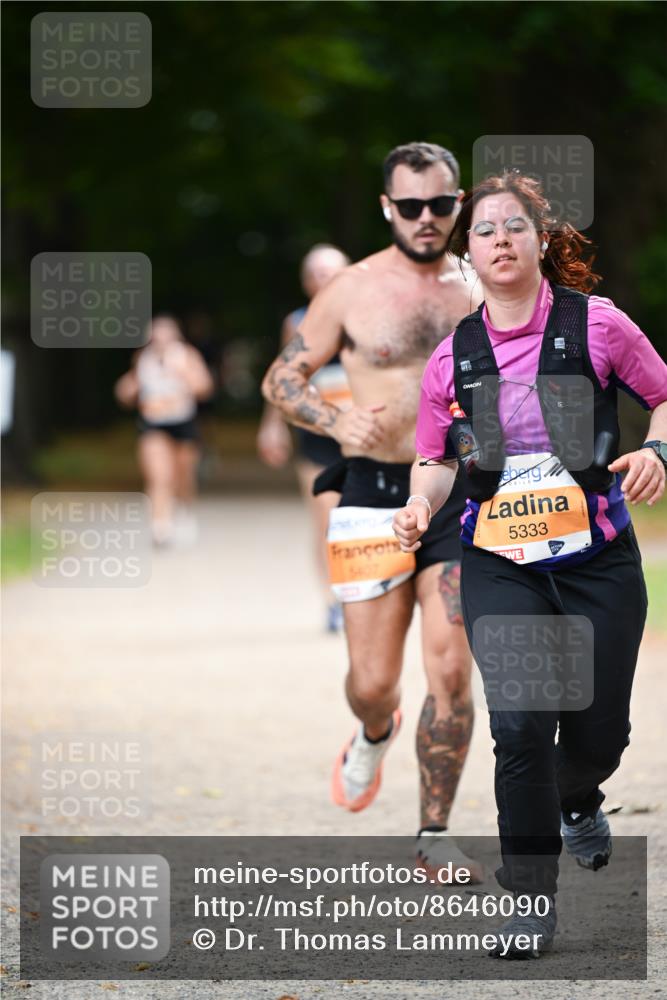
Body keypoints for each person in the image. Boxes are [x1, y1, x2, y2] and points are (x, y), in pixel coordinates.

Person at [393, 170, 667, 956]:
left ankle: (579, 795)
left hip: (597, 558)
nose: (501, 239)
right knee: (518, 727)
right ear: (465, 256)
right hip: (497, 559)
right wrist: (420, 504)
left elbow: (661, 395)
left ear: (542, 242)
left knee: (596, 733)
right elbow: (433, 459)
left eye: (515, 226)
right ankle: (529, 898)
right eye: (484, 230)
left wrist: (656, 449)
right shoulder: (452, 358)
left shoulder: (598, 326)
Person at [262, 142, 484, 878]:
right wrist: (331, 422)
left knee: (451, 670)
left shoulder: (485, 284)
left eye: (441, 205)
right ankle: (373, 730)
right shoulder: (351, 290)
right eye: (410, 206)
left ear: (458, 203)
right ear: (387, 208)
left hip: (457, 497)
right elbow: (281, 380)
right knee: (372, 682)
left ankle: (432, 832)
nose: (427, 219)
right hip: (370, 496)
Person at [257, 244, 351, 633]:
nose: (323, 279)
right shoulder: (297, 322)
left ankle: (365, 595)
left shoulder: (370, 316)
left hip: (366, 433)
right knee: (326, 522)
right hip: (316, 433)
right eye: (315, 272)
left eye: (331, 271)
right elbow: (285, 378)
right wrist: (273, 425)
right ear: (306, 281)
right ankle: (333, 601)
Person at [115, 314, 214, 545]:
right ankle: (160, 525)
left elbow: (205, 387)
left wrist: (183, 375)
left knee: (183, 476)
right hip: (153, 423)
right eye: (155, 333)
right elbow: (126, 391)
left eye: (165, 332)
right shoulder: (143, 359)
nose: (160, 338)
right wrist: (130, 389)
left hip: (183, 422)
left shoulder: (186, 356)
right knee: (159, 475)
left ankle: (185, 512)